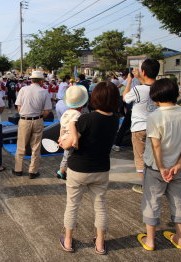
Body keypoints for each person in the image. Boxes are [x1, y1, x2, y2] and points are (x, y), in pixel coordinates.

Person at [60, 81, 120, 255]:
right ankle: (100, 244)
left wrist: (68, 131)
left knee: (72, 205)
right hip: (101, 168)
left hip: (78, 168)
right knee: (100, 206)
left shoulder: (86, 119)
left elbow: (67, 145)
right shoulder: (115, 119)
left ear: (94, 98)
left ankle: (69, 240)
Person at [137, 78, 181, 251]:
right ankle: (180, 239)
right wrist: (179, 164)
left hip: (156, 169)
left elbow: (156, 145)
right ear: (176, 93)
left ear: (155, 97)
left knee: (152, 202)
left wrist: (161, 167)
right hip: (178, 168)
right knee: (179, 202)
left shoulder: (155, 116)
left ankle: (150, 241)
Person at [123, 59, 160, 194]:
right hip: (157, 127)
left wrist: (129, 81)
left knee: (140, 157)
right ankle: (159, 184)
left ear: (143, 71)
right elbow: (149, 86)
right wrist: (139, 78)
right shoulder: (161, 87)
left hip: (139, 128)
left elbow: (125, 98)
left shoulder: (138, 89)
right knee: (156, 156)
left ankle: (146, 187)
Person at [13, 70, 52, 178]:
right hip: (38, 120)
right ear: (41, 81)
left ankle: (18, 169)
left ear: (31, 80)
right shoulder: (44, 92)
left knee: (21, 145)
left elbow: (19, 107)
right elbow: (47, 111)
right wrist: (40, 117)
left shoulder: (23, 89)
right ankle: (33, 171)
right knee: (35, 146)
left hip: (24, 120)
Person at [56, 85, 88, 180]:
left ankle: (63, 171)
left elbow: (62, 126)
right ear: (82, 104)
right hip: (70, 138)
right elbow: (72, 125)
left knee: (66, 155)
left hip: (64, 137)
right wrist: (75, 140)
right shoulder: (77, 114)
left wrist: (60, 137)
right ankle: (61, 171)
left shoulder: (66, 113)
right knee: (68, 156)